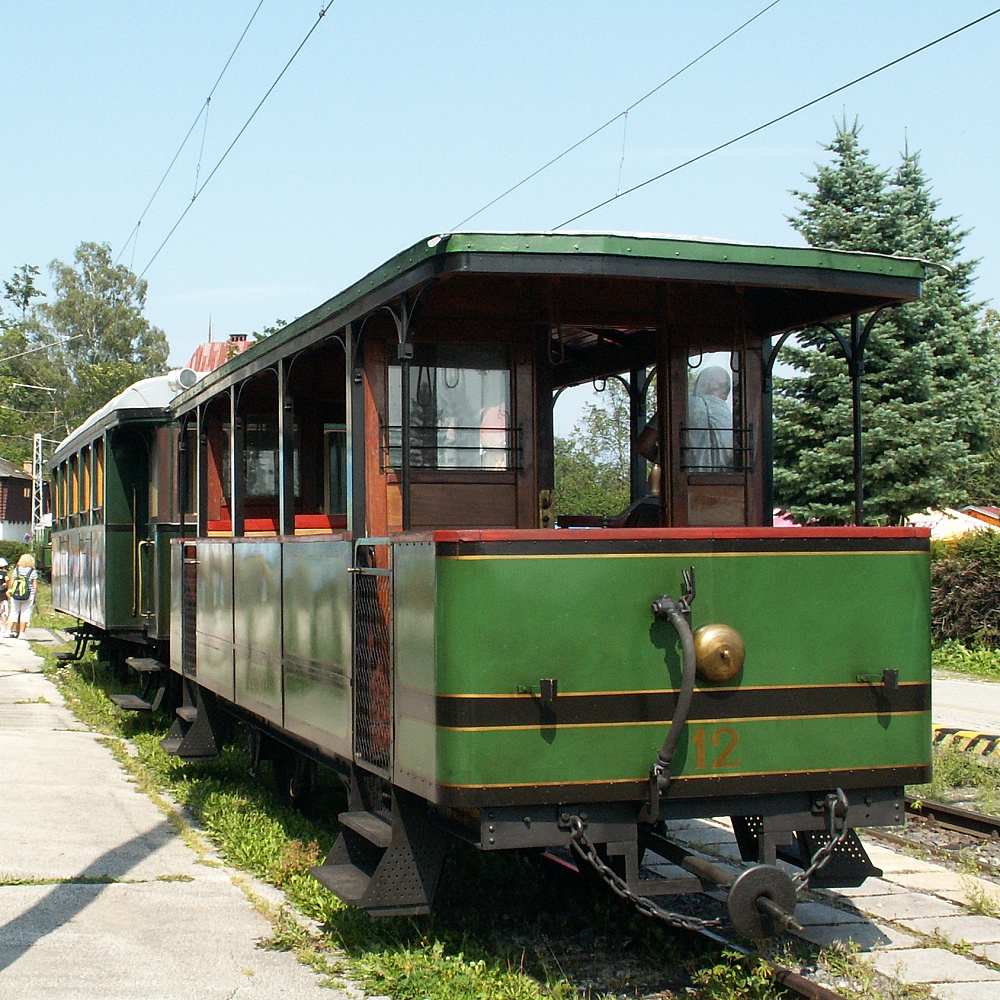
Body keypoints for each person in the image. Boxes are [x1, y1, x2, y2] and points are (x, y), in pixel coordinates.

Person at [686, 365, 733, 470]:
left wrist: (670, 464)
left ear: (704, 384)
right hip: (725, 484)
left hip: (682, 482)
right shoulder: (735, 420)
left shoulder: (680, 405)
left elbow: (645, 445)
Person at [8, 553, 38, 640]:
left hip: (16, 593)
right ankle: (21, 633)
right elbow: (34, 584)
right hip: (28, 594)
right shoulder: (32, 571)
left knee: (14, 611)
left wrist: (11, 590)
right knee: (25, 612)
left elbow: (12, 581)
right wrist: (34, 595)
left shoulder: (16, 570)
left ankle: (8, 631)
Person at [0, 558, 8, 637]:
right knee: (3, 611)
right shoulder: (4, 573)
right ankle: (4, 627)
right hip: (2, 594)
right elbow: (7, 581)